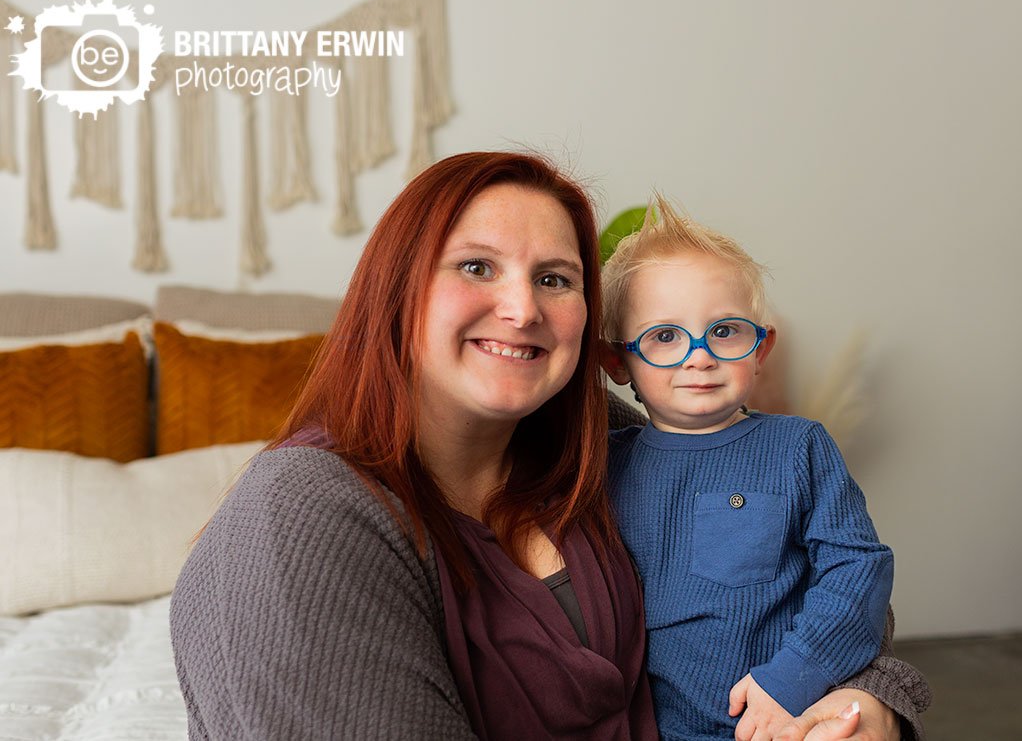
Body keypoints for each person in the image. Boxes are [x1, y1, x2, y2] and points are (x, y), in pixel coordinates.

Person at [169, 152, 927, 740]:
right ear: (397, 294)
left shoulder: (598, 438)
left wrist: (871, 704)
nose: (522, 307)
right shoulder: (301, 515)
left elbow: (806, 585)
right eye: (476, 266)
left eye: (557, 278)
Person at [600, 197, 899, 741]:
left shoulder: (798, 447)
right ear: (618, 362)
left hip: (791, 719)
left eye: (725, 331)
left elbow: (859, 570)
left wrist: (793, 676)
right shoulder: (603, 466)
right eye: (663, 336)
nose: (699, 356)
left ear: (761, 348)